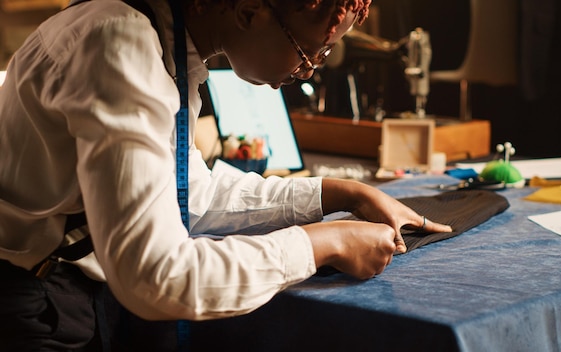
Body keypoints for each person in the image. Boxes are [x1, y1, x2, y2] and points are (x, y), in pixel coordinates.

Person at [0, 0, 452, 349]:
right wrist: (321, 243)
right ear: (248, 11)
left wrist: (339, 194)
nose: (308, 68)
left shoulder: (167, 45)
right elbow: (156, 276)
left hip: (71, 290)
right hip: (34, 304)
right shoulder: (119, 45)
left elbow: (189, 192)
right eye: (309, 51)